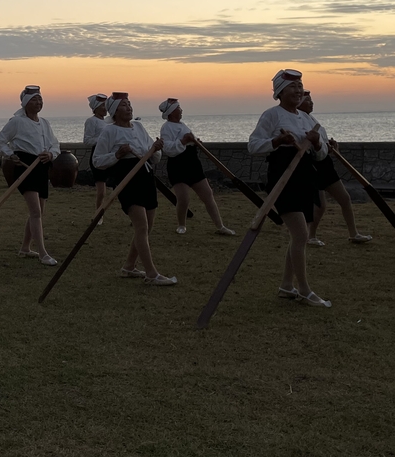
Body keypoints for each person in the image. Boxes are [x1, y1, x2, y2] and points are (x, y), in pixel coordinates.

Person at [247, 69, 332, 307]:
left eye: (301, 86)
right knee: (301, 235)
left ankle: (286, 285)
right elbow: (253, 145)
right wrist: (276, 141)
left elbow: (321, 154)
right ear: (280, 92)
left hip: (305, 176)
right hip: (283, 177)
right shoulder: (271, 115)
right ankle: (304, 290)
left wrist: (317, 144)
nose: (299, 91)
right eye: (293, 87)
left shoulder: (308, 120)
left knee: (299, 236)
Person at [92, 92, 176, 286]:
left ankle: (129, 266)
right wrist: (117, 154)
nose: (128, 108)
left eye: (129, 104)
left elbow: (152, 155)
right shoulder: (109, 131)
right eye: (123, 105)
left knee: (148, 226)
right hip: (126, 177)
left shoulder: (138, 127)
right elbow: (97, 161)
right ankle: (151, 274)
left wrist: (156, 148)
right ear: (114, 111)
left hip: (145, 175)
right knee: (141, 226)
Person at [0, 86, 60, 266]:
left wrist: (51, 154)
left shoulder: (45, 123)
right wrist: (10, 155)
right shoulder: (16, 122)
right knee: (36, 212)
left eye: (40, 99)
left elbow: (55, 145)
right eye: (34, 100)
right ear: (25, 103)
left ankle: (25, 248)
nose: (38, 103)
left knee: (39, 211)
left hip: (41, 166)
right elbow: (0, 141)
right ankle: (42, 253)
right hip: (24, 166)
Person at [298, 90, 372, 246]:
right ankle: (310, 236)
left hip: (325, 164)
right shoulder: (298, 119)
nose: (311, 103)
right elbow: (307, 145)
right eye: (308, 100)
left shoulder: (311, 119)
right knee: (320, 205)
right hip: (313, 165)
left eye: (312, 100)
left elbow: (320, 145)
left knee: (344, 198)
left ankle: (354, 234)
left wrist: (331, 147)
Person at [158, 98, 234, 236]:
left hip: (192, 163)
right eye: (179, 108)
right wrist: (183, 141)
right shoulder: (166, 128)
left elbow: (189, 141)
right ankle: (181, 225)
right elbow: (168, 148)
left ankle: (220, 226)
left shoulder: (183, 125)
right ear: (172, 112)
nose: (181, 110)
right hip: (178, 165)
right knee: (183, 198)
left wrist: (195, 141)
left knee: (208, 194)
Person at [83, 93, 109, 220]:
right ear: (95, 108)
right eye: (102, 106)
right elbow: (87, 140)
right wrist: (102, 140)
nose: (105, 108)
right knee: (101, 191)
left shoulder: (109, 122)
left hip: (110, 155)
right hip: (98, 155)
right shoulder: (91, 121)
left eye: (106, 106)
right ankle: (99, 215)